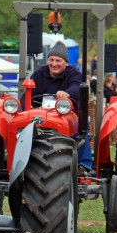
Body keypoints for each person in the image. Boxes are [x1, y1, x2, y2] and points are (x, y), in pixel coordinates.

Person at [29, 41, 92, 172]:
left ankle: (83, 165)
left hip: (66, 114)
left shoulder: (73, 74)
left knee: (81, 127)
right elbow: (29, 92)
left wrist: (67, 93)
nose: (54, 64)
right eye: (51, 60)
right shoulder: (39, 74)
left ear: (66, 63)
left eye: (58, 60)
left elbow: (77, 86)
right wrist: (28, 104)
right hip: (42, 114)